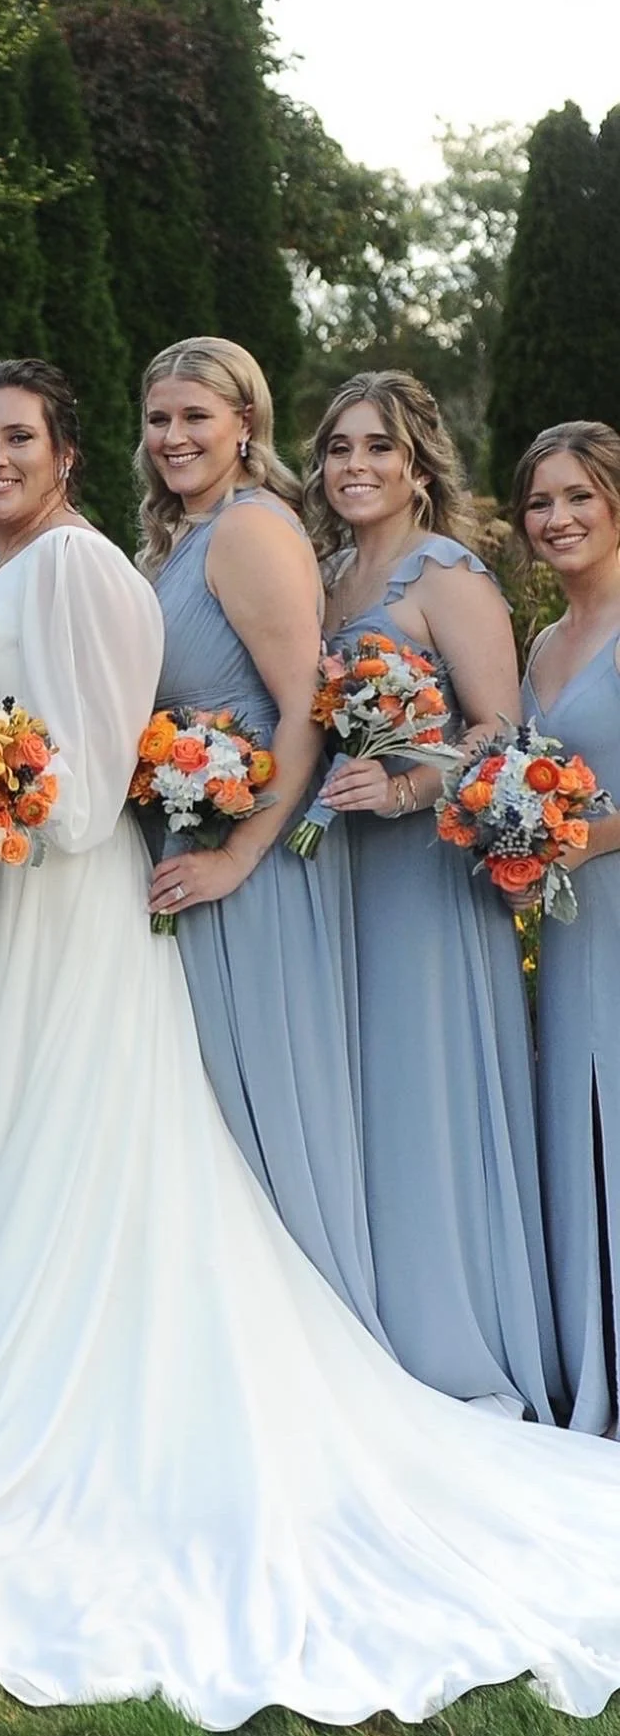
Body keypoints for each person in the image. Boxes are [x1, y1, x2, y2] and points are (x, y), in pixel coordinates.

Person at [0, 356, 620, 1726]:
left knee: (72, 1146)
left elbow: (85, 794)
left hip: (50, 904)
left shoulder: (82, 567)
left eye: (17, 436)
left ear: (66, 454)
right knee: (17, 1145)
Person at [307, 371, 558, 1419]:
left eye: (378, 448)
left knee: (424, 1094)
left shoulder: (447, 574)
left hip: (422, 874)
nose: (355, 466)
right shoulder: (323, 575)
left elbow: (503, 736)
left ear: (417, 465)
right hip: (334, 877)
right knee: (356, 1097)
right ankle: (363, 1336)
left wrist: (406, 787)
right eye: (338, 449)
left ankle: (451, 1344)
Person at [137, 337, 385, 1344]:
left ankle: (308, 1343)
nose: (175, 436)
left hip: (257, 861)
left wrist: (240, 855)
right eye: (158, 419)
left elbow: (305, 708)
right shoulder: (181, 539)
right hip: (193, 843)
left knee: (266, 1102)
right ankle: (234, 1340)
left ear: (246, 425)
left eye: (196, 416)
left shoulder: (249, 531)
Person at [517, 421, 620, 1436]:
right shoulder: (542, 643)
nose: (558, 518)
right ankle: (595, 1365)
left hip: (613, 894)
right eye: (542, 503)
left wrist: (601, 835)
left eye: (578, 497)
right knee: (579, 1135)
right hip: (569, 923)